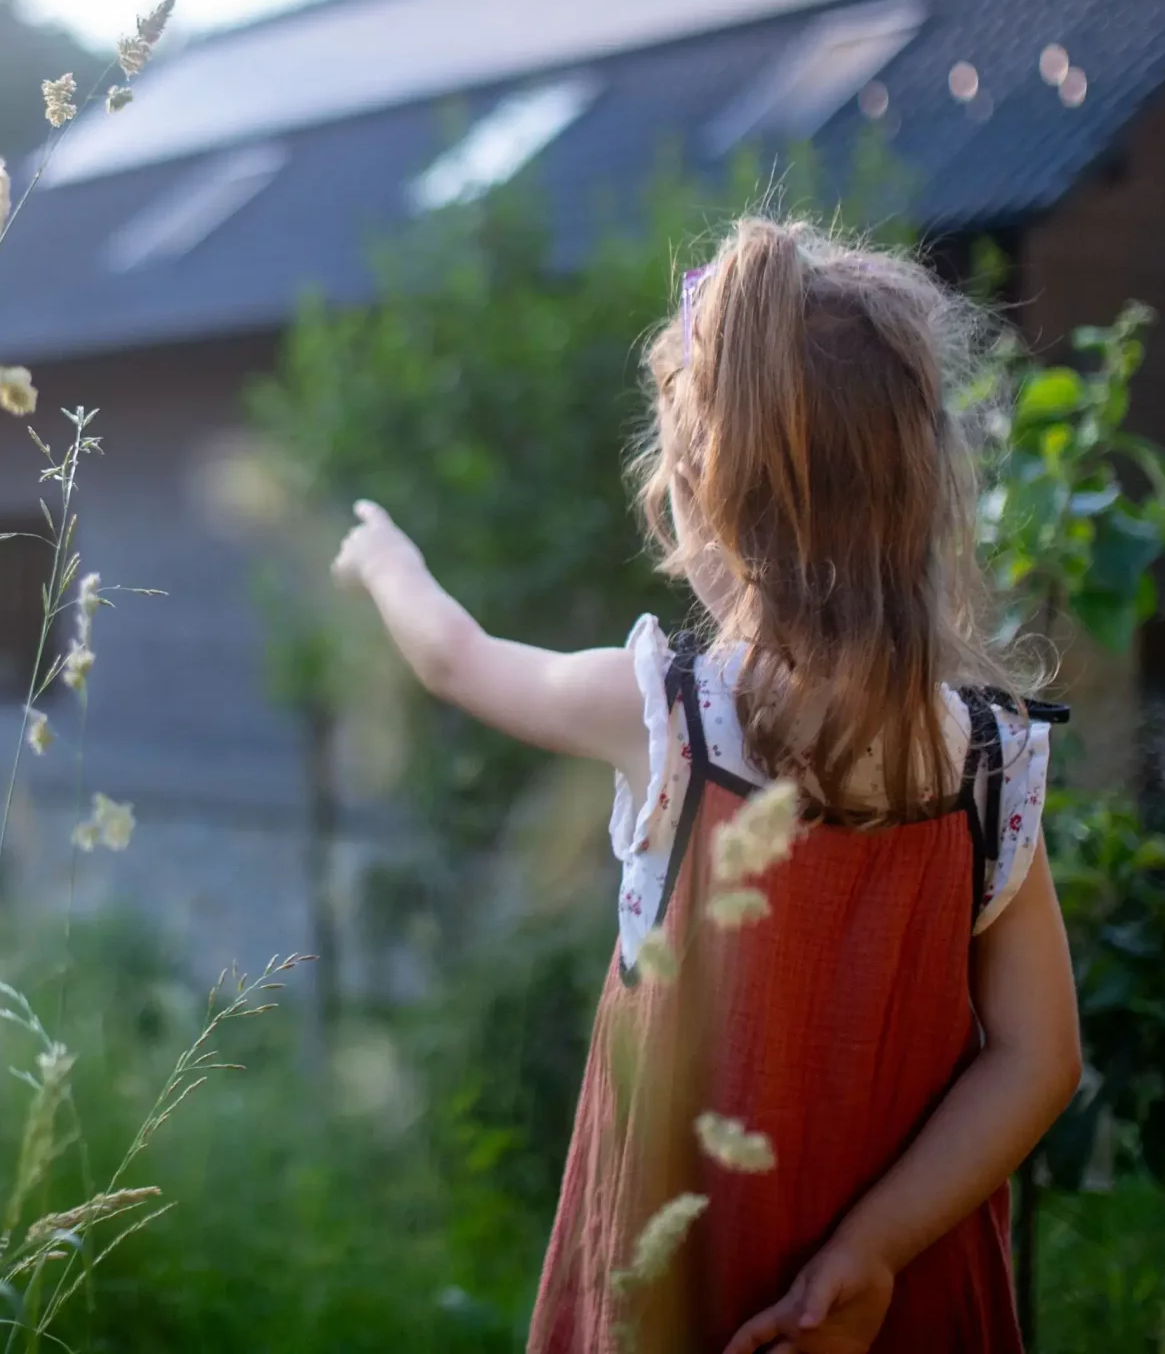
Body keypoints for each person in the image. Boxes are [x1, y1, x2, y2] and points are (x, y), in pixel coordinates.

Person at [333, 216, 1083, 1353]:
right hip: (898, 1310)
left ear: (697, 491)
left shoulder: (672, 725)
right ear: (920, 491)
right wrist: (868, 1254)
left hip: (679, 1293)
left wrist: (384, 559)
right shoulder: (988, 765)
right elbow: (1041, 1058)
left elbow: (453, 658)